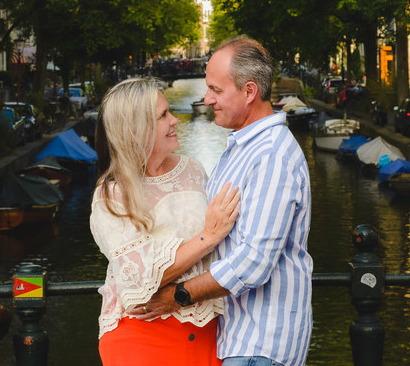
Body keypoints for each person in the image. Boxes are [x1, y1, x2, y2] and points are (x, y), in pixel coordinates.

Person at [134, 36, 313, 366]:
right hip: (239, 339)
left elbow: (254, 262)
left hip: (260, 345)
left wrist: (178, 295)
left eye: (216, 90)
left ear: (249, 92)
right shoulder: (243, 148)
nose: (206, 98)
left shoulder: (271, 155)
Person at [91, 77, 241, 366]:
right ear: (137, 129)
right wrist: (208, 237)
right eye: (163, 115)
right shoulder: (112, 194)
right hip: (141, 338)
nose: (175, 120)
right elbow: (141, 280)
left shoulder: (193, 169)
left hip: (209, 331)